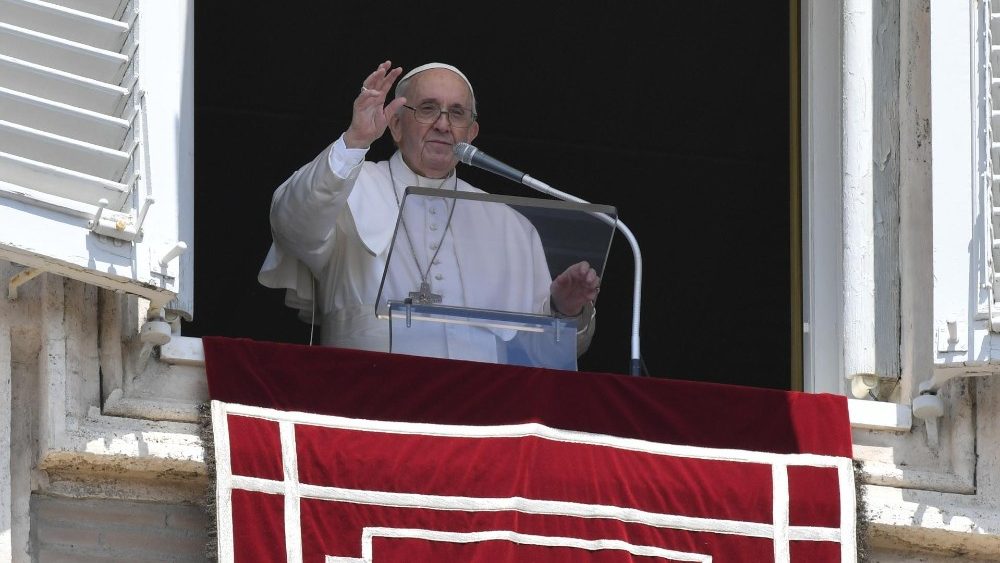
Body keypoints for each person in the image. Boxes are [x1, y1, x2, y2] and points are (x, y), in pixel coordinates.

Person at [259, 61, 600, 366]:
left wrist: (563, 310)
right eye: (427, 109)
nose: (442, 124)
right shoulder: (348, 185)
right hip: (366, 402)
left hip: (478, 416)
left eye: (457, 113)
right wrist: (355, 140)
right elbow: (291, 225)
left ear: (471, 133)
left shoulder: (509, 223)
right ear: (394, 125)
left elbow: (541, 355)